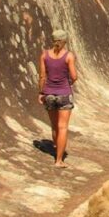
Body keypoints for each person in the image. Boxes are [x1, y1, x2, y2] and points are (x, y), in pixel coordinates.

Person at [37, 29, 78, 168]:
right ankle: (58, 160)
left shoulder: (44, 55)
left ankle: (56, 147)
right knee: (63, 127)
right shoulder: (68, 56)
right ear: (65, 40)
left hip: (49, 94)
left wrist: (41, 93)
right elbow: (74, 76)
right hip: (64, 94)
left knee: (54, 125)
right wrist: (70, 82)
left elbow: (42, 76)